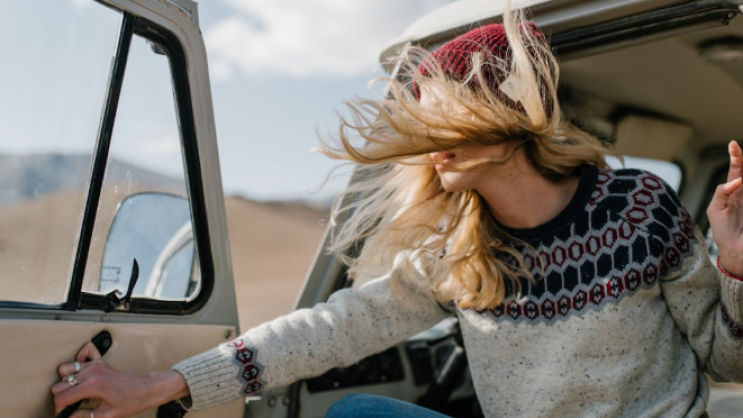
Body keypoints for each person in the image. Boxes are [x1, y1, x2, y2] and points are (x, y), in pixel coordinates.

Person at [52, 5, 743, 418]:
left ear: (508, 115)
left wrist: (735, 268)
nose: (428, 144)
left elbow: (725, 360)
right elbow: (327, 329)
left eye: (445, 120)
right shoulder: (459, 249)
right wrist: (161, 385)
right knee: (354, 412)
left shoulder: (637, 210)